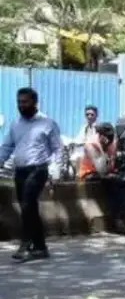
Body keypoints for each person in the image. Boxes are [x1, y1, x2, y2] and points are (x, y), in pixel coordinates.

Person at [0, 88, 64, 262]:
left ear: (34, 102)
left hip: (38, 169)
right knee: (28, 208)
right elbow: (7, 146)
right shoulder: (15, 124)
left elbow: (58, 149)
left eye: (25, 102)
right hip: (20, 171)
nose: (21, 105)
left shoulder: (47, 123)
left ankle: (25, 244)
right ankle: (41, 247)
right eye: (19, 102)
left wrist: (55, 171)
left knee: (28, 203)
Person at [81, 122, 125, 232]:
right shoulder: (91, 145)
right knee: (115, 182)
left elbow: (113, 164)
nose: (110, 139)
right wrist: (104, 150)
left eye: (112, 136)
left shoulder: (112, 142)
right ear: (100, 135)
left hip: (109, 171)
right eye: (107, 136)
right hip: (91, 173)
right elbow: (102, 170)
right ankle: (118, 220)